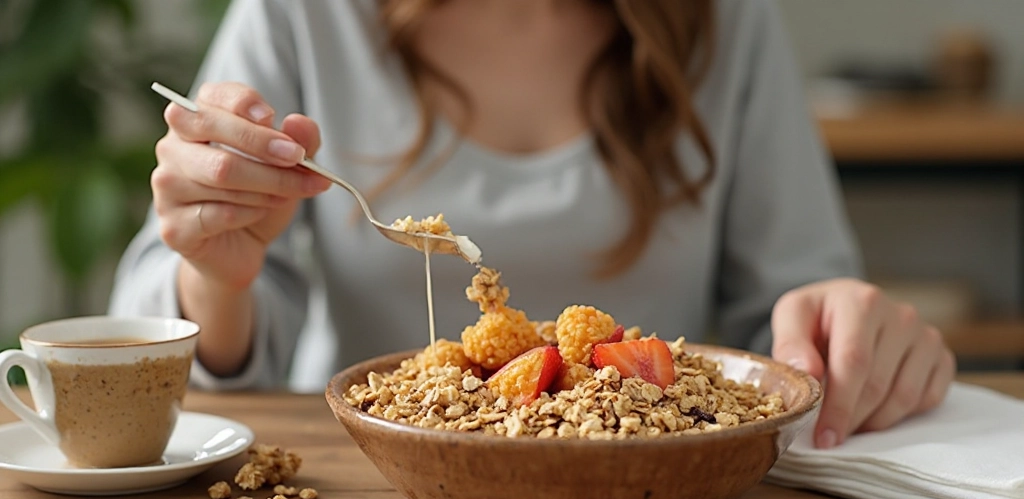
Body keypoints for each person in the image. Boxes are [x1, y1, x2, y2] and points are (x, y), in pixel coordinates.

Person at [110, 0, 955, 449]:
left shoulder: (725, 19)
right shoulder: (304, 11)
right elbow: (149, 364)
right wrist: (214, 275)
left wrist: (839, 326)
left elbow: (782, 324)